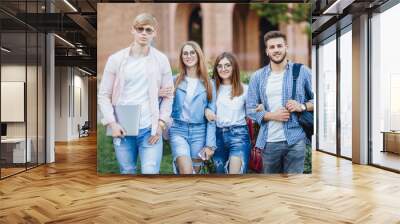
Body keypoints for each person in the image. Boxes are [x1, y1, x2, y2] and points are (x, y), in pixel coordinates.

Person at [98, 13, 173, 174]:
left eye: (148, 30)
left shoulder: (161, 60)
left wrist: (161, 124)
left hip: (150, 128)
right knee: (127, 172)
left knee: (150, 172)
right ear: (132, 30)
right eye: (140, 29)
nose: (144, 33)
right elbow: (103, 95)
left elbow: (168, 95)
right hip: (123, 128)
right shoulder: (116, 60)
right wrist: (112, 123)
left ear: (154, 33)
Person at [246, 31, 314, 174]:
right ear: (267, 51)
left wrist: (301, 106)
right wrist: (272, 115)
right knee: (271, 187)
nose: (276, 50)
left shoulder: (302, 72)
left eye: (279, 46)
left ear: (286, 47)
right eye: (272, 47)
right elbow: (250, 109)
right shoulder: (257, 77)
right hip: (269, 142)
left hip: (296, 140)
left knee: (294, 186)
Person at [169, 41, 217, 174]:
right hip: (178, 130)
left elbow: (212, 118)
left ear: (198, 55)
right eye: (185, 53)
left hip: (199, 132)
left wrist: (209, 145)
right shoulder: (174, 81)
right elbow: (163, 105)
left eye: (192, 52)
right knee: (186, 171)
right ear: (181, 57)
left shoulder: (209, 84)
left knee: (195, 172)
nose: (188, 56)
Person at [204, 52, 251, 174]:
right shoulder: (211, 87)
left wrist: (260, 108)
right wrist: (205, 110)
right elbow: (200, 106)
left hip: (238, 135)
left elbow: (253, 111)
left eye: (227, 65)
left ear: (234, 67)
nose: (223, 69)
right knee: (221, 176)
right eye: (220, 66)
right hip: (217, 136)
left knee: (234, 175)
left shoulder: (245, 89)